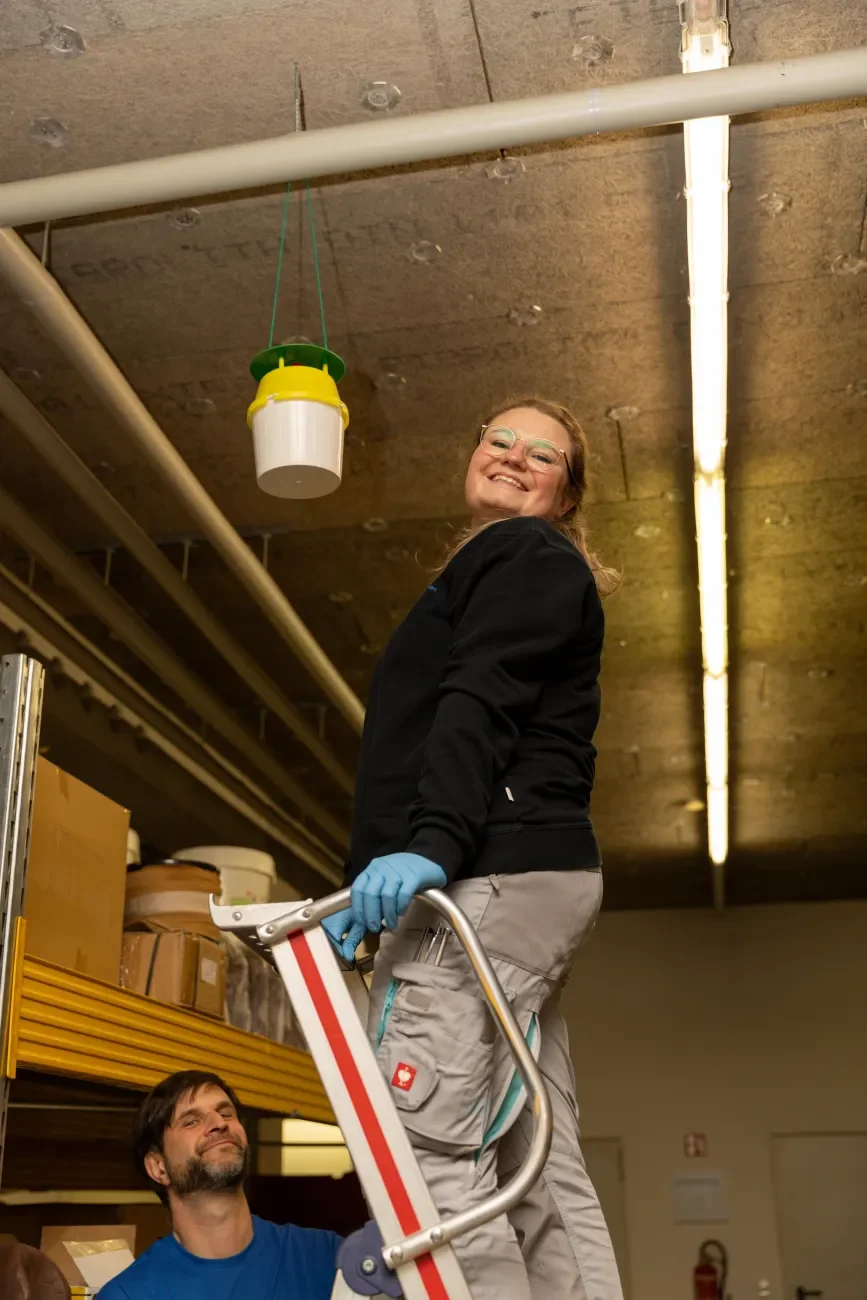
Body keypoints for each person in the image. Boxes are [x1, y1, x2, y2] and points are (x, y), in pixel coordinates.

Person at [324, 397, 623, 1300]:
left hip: (483, 873)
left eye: (543, 455)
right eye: (498, 438)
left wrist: (431, 845)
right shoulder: (511, 566)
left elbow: (480, 697)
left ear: (564, 494)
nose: (514, 456)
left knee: (425, 1163)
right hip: (523, 878)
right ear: (472, 452)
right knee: (536, 1154)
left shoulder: (522, 553)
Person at [99, 1070, 339, 1300]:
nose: (218, 1123)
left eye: (226, 1114)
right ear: (159, 1168)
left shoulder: (327, 1257)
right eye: (191, 1122)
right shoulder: (131, 1295)